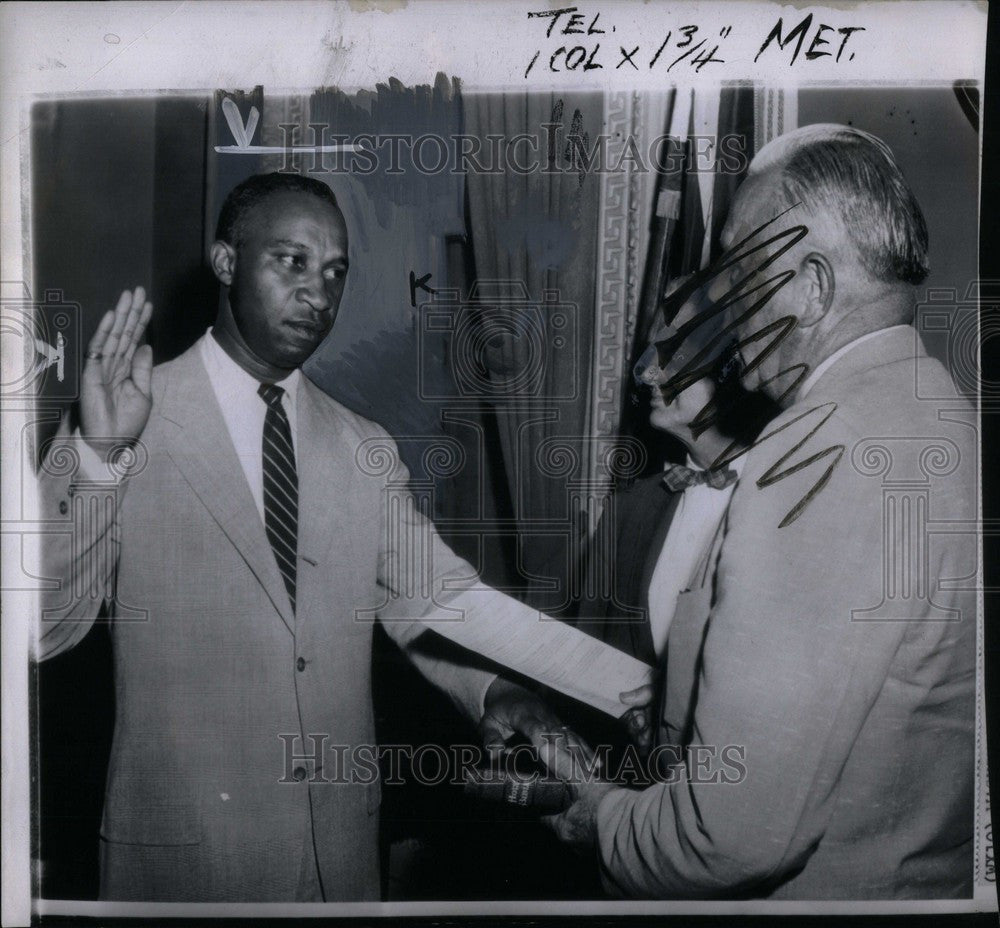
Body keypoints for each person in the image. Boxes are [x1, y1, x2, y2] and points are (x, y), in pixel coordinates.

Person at [35, 172, 571, 902]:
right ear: (226, 262)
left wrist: (496, 686)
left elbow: (434, 595)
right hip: (185, 871)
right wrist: (98, 459)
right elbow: (43, 629)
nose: (319, 293)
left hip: (340, 867)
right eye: (291, 261)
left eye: (335, 272)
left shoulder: (363, 444)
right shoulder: (119, 416)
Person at [540, 124, 977, 898]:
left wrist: (597, 817)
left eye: (741, 268)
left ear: (811, 288)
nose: (728, 313)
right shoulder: (943, 414)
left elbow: (729, 839)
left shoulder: (813, 452)